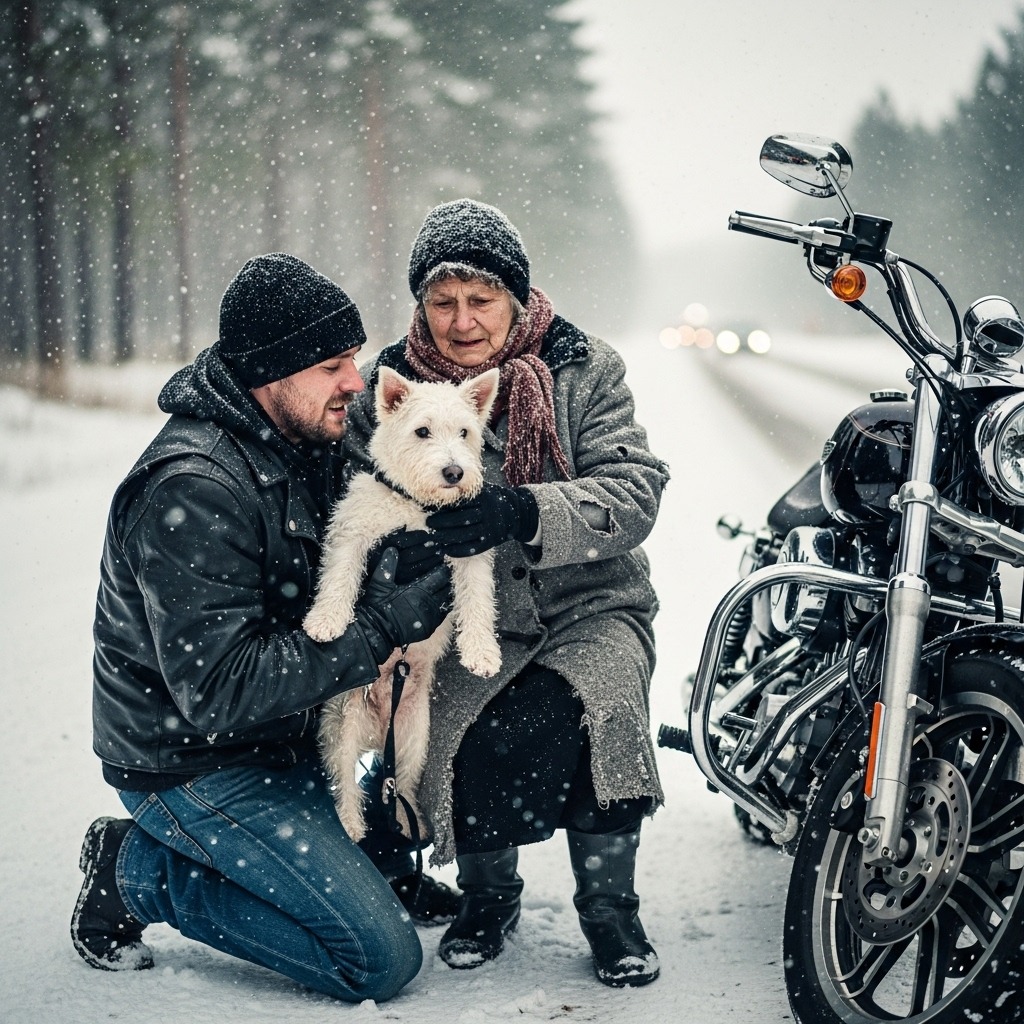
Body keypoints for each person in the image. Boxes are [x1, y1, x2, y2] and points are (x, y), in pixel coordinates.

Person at [70, 252, 460, 1003]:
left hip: (286, 735)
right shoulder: (192, 487)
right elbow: (219, 691)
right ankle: (135, 870)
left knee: (463, 725)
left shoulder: (306, 439)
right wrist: (380, 625)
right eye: (332, 365)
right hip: (196, 763)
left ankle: (361, 860)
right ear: (268, 373)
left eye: (353, 359)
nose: (355, 382)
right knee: (379, 959)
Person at [343, 199, 671, 987]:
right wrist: (393, 556)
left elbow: (635, 490)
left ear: (516, 299)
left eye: (481, 299)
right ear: (421, 304)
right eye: (443, 301)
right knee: (465, 732)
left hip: (589, 604)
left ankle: (610, 911)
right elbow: (351, 494)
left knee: (603, 714)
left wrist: (525, 510)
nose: (462, 322)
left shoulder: (585, 368)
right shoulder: (387, 387)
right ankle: (489, 897)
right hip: (459, 615)